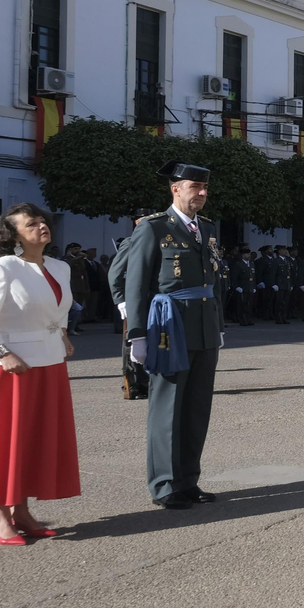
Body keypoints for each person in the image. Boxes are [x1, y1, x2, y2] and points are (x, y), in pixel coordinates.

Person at [0, 203, 80, 544]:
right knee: (3, 443)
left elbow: (56, 310)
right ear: (12, 235)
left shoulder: (59, 267)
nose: (41, 227)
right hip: (7, 368)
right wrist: (1, 353)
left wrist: (62, 335)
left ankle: (22, 511)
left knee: (34, 440)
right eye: (31, 224)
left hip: (48, 364)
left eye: (42, 221)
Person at [123, 160, 227, 510]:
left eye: (205, 188)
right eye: (195, 187)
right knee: (167, 407)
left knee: (197, 408)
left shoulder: (209, 229)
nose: (202, 193)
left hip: (204, 325)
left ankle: (188, 480)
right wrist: (137, 335)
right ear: (176, 189)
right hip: (170, 326)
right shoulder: (153, 228)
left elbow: (215, 281)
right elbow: (136, 283)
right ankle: (165, 484)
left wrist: (219, 325)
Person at [109, 226, 151, 401]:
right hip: (134, 300)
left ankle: (148, 381)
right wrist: (120, 300)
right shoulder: (131, 242)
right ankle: (133, 383)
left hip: (154, 300)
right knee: (132, 341)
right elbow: (115, 272)